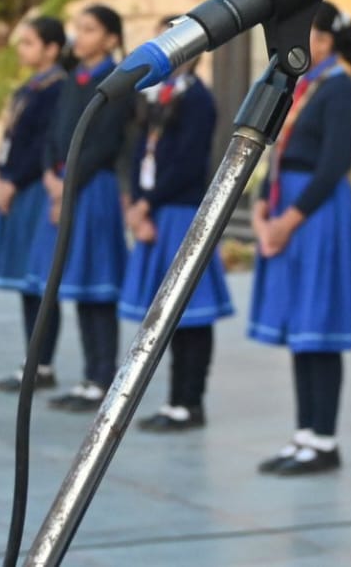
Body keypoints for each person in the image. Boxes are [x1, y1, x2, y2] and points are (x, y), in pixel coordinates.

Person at [250, 2, 351, 476]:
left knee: (320, 330)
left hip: (316, 215)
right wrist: (262, 207)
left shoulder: (341, 89)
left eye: (311, 34)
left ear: (325, 40)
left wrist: (288, 220)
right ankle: (303, 436)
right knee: (301, 331)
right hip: (290, 208)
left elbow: (333, 165)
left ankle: (324, 440)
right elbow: (278, 149)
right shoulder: (303, 85)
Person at [118, 36, 231, 432]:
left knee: (190, 312)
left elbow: (188, 162)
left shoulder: (198, 100)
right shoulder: (155, 96)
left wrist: (147, 203)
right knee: (166, 315)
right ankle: (174, 399)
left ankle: (190, 401)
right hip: (154, 211)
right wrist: (137, 201)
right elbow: (138, 152)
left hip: (180, 211)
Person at [26, 4, 133, 413]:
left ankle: (102, 377)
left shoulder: (118, 81)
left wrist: (66, 185)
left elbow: (104, 143)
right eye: (79, 29)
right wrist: (50, 176)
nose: (80, 37)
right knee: (74, 284)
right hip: (62, 185)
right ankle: (89, 376)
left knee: (96, 286)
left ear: (111, 38)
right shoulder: (73, 79)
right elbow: (54, 134)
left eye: (90, 30)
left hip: (91, 188)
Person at [0, 16, 69, 391]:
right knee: (26, 283)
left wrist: (14, 180)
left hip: (33, 189)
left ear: (52, 49)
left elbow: (41, 146)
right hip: (14, 187)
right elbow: (12, 139)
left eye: (30, 42)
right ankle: (31, 359)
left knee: (40, 281)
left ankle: (42, 364)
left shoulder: (58, 89)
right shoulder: (29, 87)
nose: (22, 49)